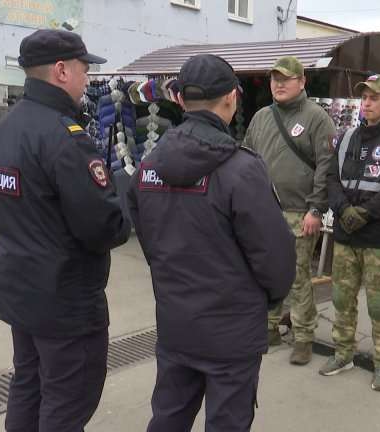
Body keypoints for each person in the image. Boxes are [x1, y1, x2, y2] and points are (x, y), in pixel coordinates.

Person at [126, 54, 296, 432]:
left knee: (169, 415)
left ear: (181, 101)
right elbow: (275, 258)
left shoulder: (149, 166)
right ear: (232, 98)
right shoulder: (242, 169)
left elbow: (147, 234)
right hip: (231, 331)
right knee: (228, 422)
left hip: (176, 321)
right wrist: (268, 298)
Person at [0, 29, 131, 431]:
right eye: (86, 69)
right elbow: (102, 226)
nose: (89, 78)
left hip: (21, 289)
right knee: (67, 403)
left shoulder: (7, 128)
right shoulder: (65, 138)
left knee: (29, 386)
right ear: (62, 70)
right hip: (64, 301)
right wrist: (127, 204)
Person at [318, 74, 380, 392]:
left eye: (375, 97)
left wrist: (364, 213)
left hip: (378, 237)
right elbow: (332, 177)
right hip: (346, 235)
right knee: (342, 298)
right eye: (365, 97)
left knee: (379, 304)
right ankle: (343, 353)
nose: (367, 103)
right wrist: (343, 209)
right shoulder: (346, 137)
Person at [242, 56, 336, 365]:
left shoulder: (316, 117)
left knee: (297, 277)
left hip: (300, 211)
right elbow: (245, 161)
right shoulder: (261, 117)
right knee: (263, 274)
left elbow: (326, 167)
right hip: (264, 211)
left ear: (302, 81)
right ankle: (268, 328)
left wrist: (316, 209)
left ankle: (303, 337)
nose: (279, 84)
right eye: (274, 79)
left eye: (286, 79)